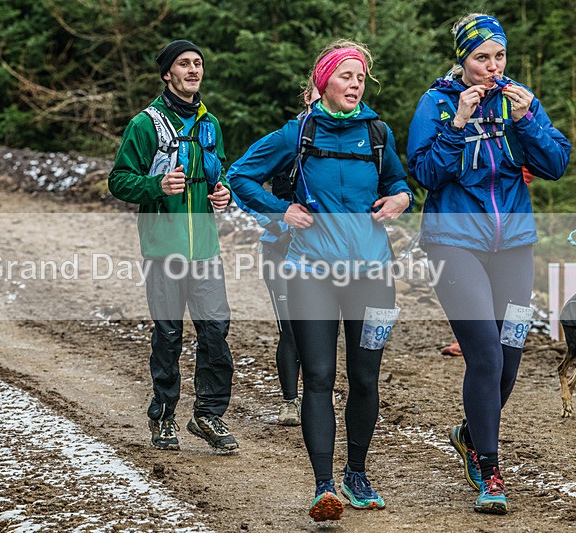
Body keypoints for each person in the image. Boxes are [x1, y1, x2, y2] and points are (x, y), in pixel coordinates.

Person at [230, 40, 413, 520]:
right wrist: (281, 209)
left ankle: (356, 474)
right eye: (346, 75)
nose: (355, 83)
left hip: (373, 273)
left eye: (360, 77)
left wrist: (399, 200)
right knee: (319, 376)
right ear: (322, 81)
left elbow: (398, 183)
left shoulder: (377, 132)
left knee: (366, 378)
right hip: (310, 271)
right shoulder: (297, 134)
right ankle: (323, 486)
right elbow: (241, 176)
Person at [407, 13, 570, 514]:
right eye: (482, 58)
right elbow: (425, 173)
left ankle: (469, 432)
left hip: (515, 242)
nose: (492, 67)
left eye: (499, 56)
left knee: (512, 353)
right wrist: (457, 123)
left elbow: (556, 165)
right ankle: (491, 470)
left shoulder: (519, 100)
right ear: (463, 59)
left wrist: (529, 120)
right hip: (453, 242)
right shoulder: (436, 103)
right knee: (486, 353)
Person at [108, 40, 238, 452]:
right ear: (168, 74)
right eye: (184, 64)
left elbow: (219, 173)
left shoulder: (209, 123)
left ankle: (208, 415)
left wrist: (223, 192)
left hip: (205, 250)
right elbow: (119, 180)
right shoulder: (146, 124)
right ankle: (163, 417)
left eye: (198, 63)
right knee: (168, 335)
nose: (193, 70)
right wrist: (155, 185)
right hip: (163, 249)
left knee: (215, 332)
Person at [228, 81, 321, 427]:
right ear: (307, 97)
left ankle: (315, 398)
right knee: (292, 329)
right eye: (316, 95)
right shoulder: (289, 137)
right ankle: (289, 401)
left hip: (323, 253)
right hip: (280, 247)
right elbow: (239, 180)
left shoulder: (345, 139)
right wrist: (277, 215)